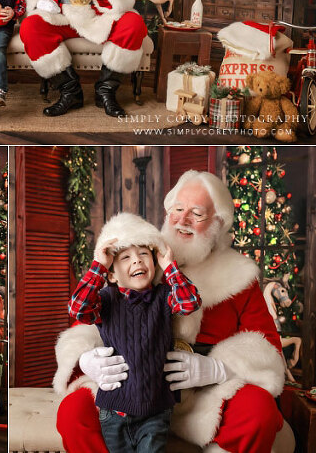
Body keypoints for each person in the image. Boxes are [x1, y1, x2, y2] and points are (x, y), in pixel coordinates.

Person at [54, 170, 295, 453]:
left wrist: (219, 369)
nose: (182, 220)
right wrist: (85, 359)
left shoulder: (240, 276)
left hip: (208, 394)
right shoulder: (140, 259)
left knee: (259, 411)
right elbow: (85, 318)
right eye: (177, 210)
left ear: (217, 223)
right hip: (134, 384)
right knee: (74, 411)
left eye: (197, 213)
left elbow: (267, 346)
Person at [68, 212, 201, 453]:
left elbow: (190, 302)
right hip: (114, 412)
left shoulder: (162, 297)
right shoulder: (107, 300)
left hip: (156, 412)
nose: (137, 261)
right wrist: (99, 266)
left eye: (143, 254)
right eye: (126, 257)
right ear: (111, 274)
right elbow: (78, 309)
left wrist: (169, 266)